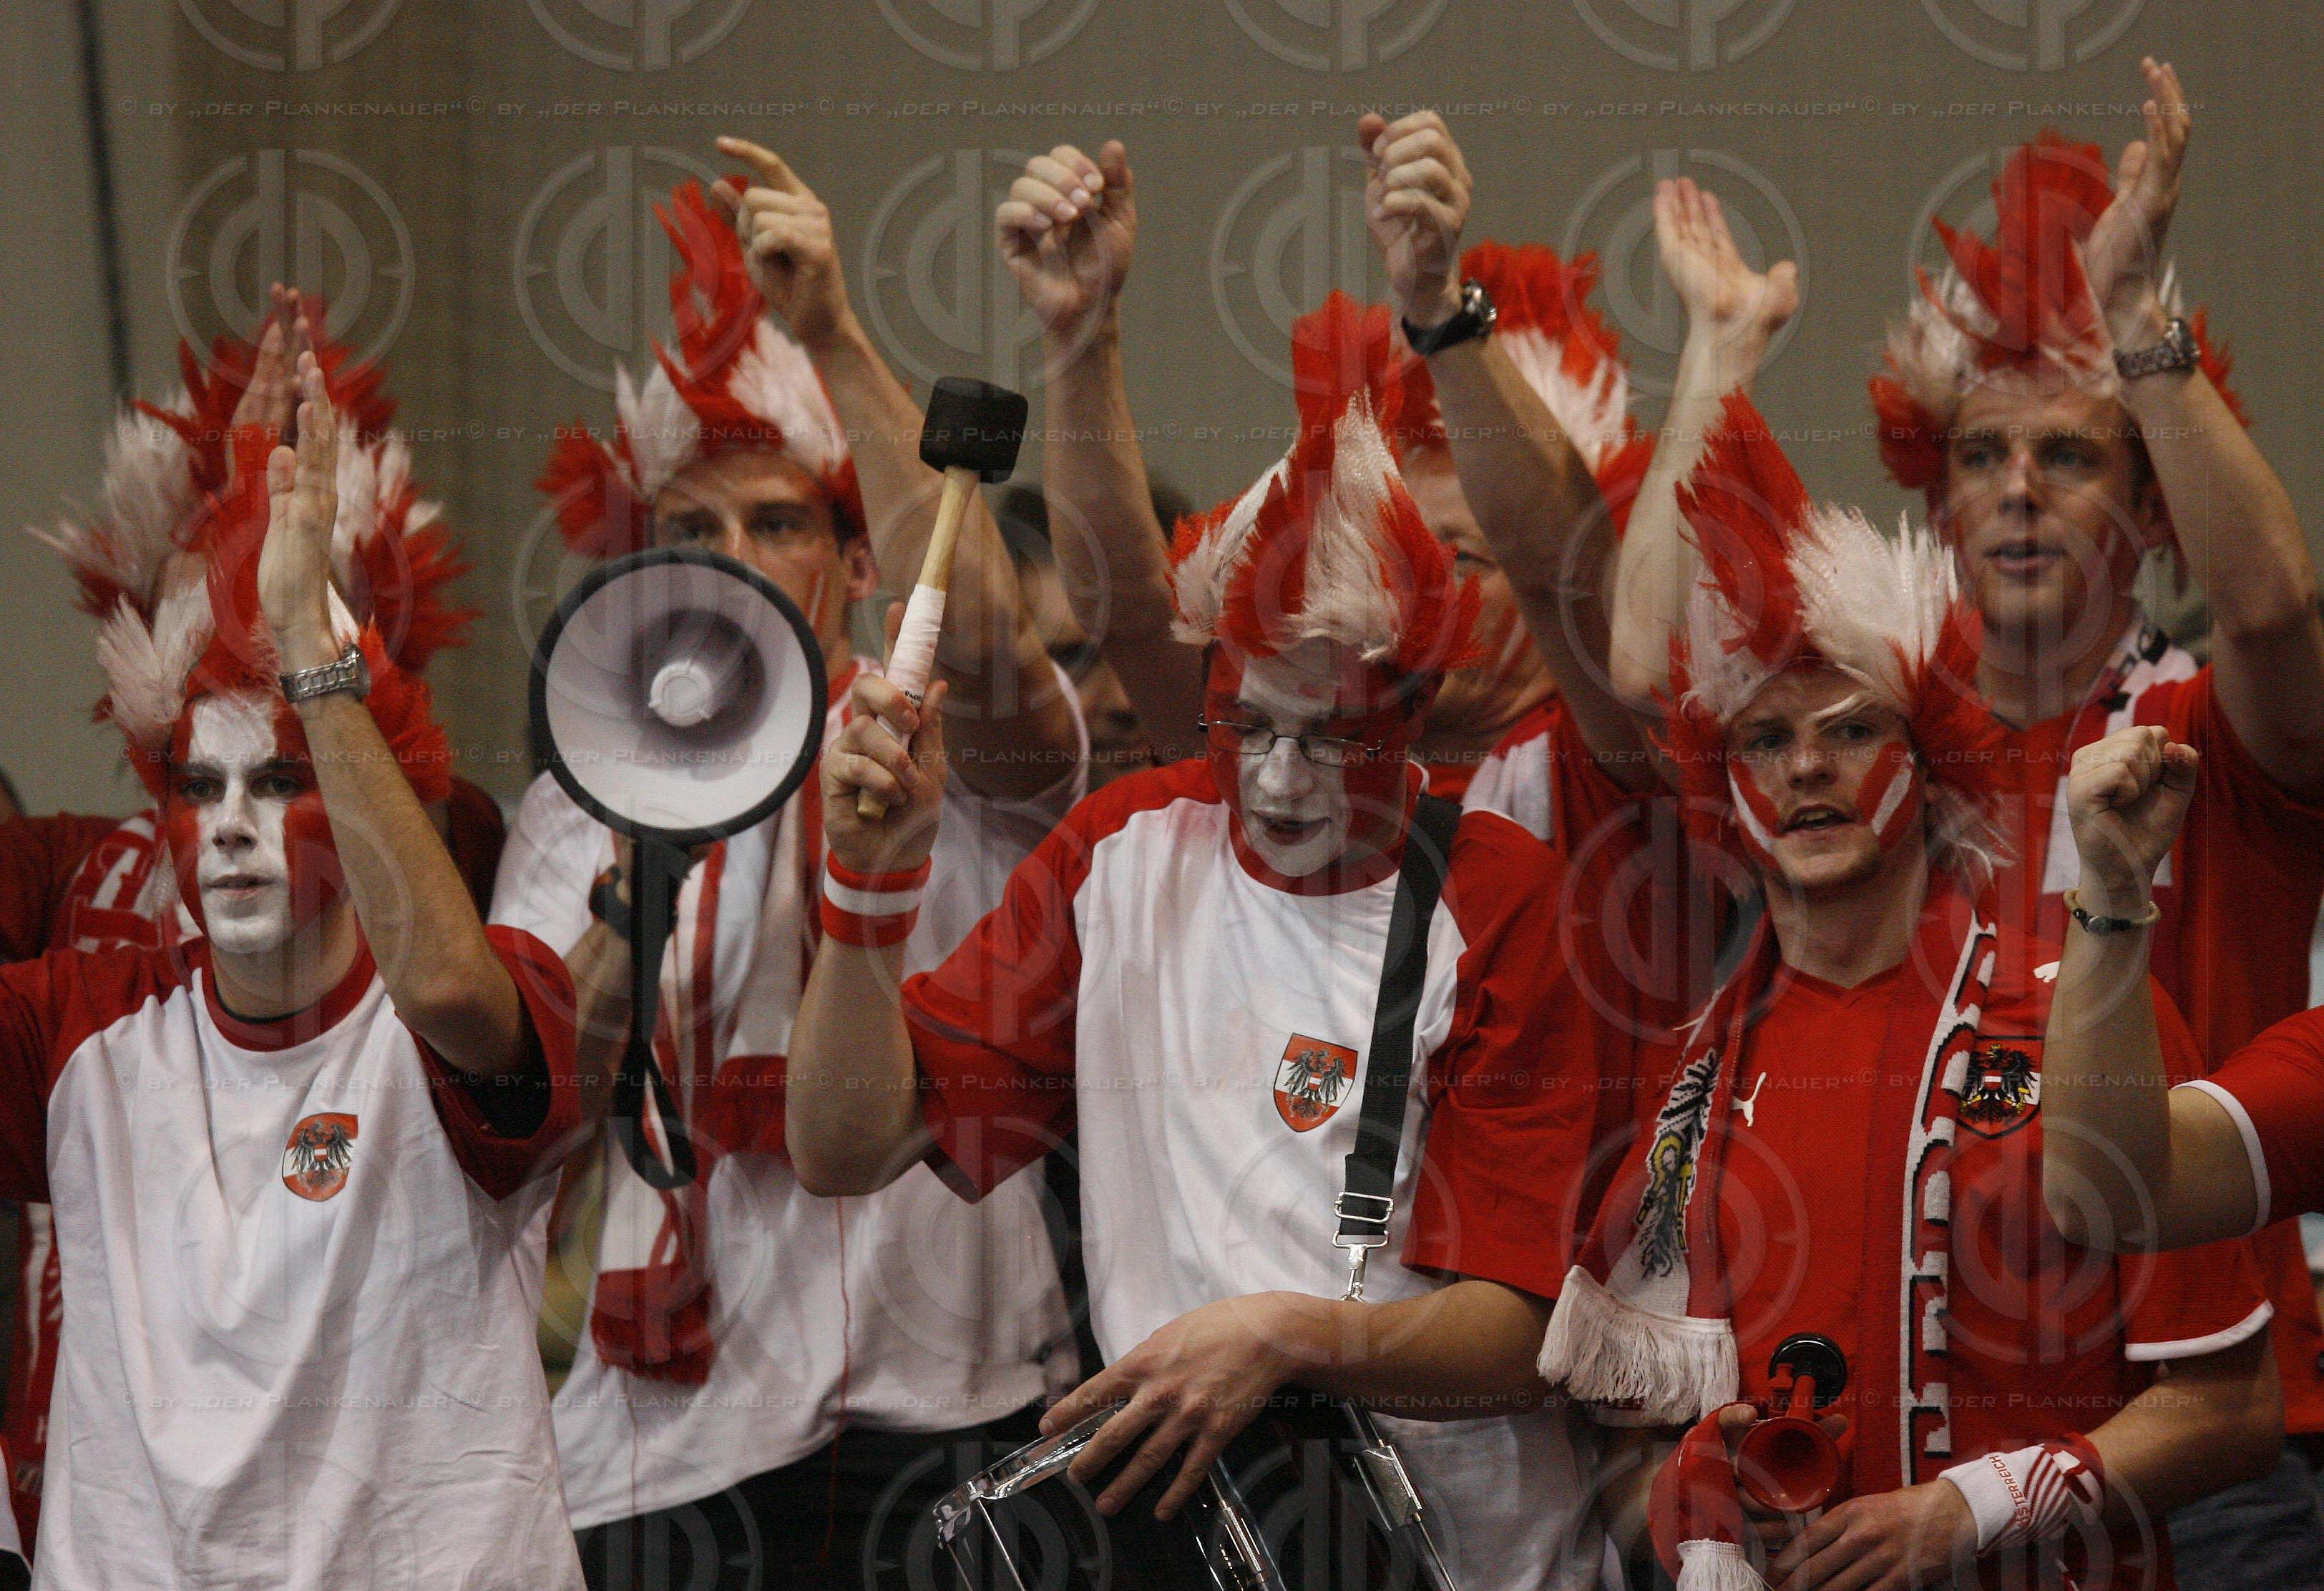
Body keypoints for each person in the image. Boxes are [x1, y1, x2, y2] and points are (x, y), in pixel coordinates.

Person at [785, 292, 1642, 1591]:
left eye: (1333, 738)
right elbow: (840, 1144)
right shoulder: (1121, 852)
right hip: (1206, 1545)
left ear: (1415, 712)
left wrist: (1284, 1339)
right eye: (1247, 726)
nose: (1282, 781)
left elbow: (1523, 1341)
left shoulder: (1503, 895)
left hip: (1475, 1560)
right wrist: (867, 892)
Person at [1612, 62, 2324, 1585]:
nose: (2015, 489)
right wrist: (1715, 362)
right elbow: (1650, 670)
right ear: (1933, 499)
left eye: (2068, 455)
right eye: (1980, 454)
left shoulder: (2194, 730)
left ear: (2151, 505)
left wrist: (2135, 316)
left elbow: (2276, 606)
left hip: (2205, 1421)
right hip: (1929, 1437)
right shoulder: (1874, 752)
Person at [1548, 388, 2280, 1591]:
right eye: (1765, 740)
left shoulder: (2082, 1014)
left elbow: (2232, 1408)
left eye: (1851, 730)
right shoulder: (1695, 1082)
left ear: (1928, 760)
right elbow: (1619, 1466)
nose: (1807, 768)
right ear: (1723, 790)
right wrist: (1698, 1497)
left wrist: (1967, 1512)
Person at [506, 148, 1087, 1588]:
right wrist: (643, 867)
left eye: (776, 523)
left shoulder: (929, 737)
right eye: (691, 531)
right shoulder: (580, 794)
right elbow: (532, 1104)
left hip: (946, 1408)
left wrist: (829, 331)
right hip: (669, 1443)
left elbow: (997, 654)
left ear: (858, 560)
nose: (732, 558)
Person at [0, 353, 587, 1588]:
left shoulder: (474, 1002)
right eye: (196, 787)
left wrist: (315, 649)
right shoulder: (78, 1028)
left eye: (278, 782)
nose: (228, 825)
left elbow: (445, 993)